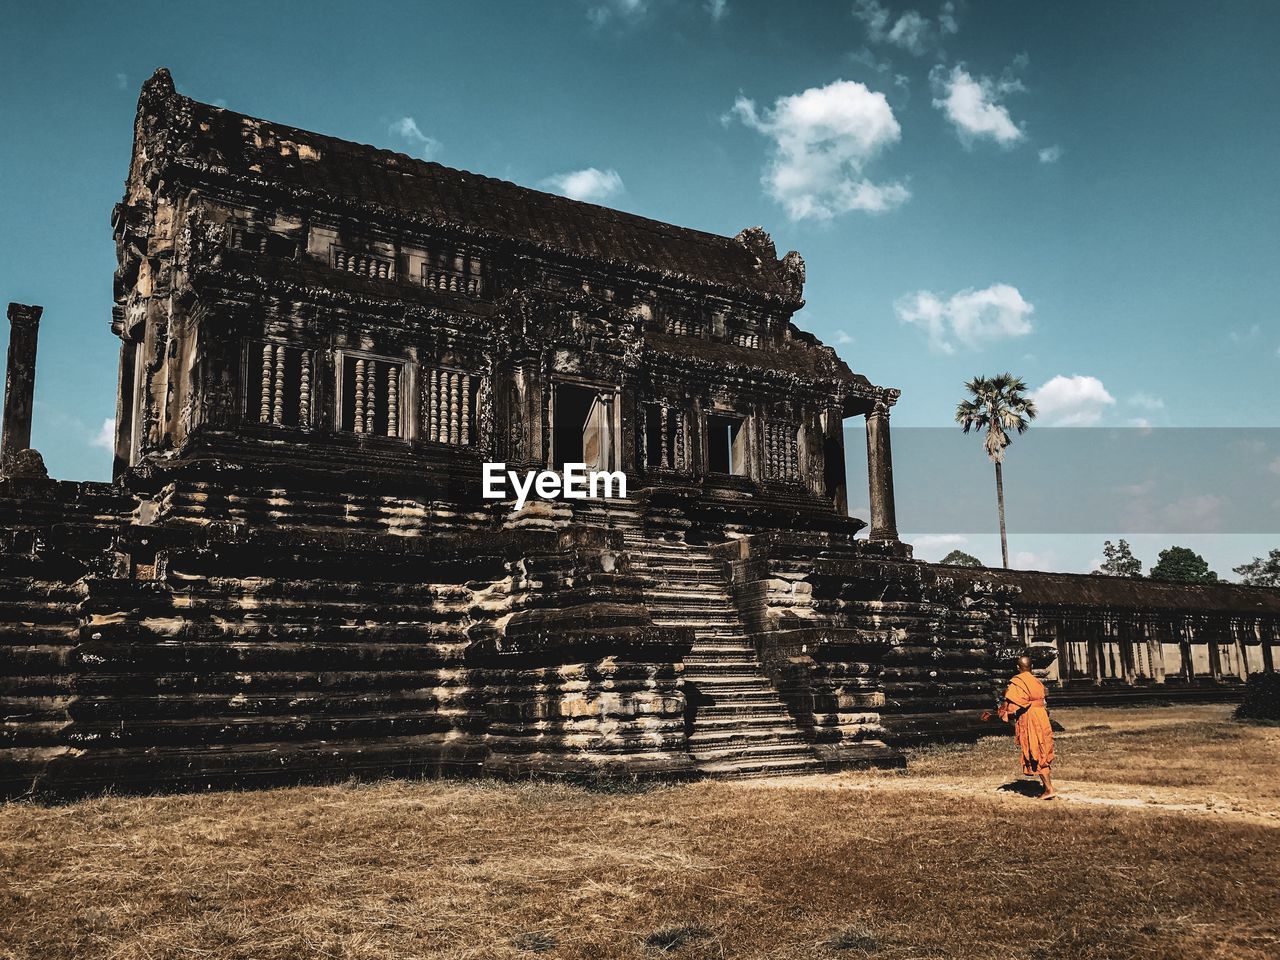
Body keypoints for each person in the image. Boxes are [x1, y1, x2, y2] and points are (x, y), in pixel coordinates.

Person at [996, 655, 1056, 799]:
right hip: (1042, 716)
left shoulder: (1017, 683)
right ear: (1031, 667)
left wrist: (1004, 711)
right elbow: (1043, 701)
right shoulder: (1037, 682)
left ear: (1018, 668)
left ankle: (1049, 789)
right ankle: (1048, 787)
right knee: (1043, 747)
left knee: (1035, 750)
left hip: (1030, 718)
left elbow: (1014, 705)